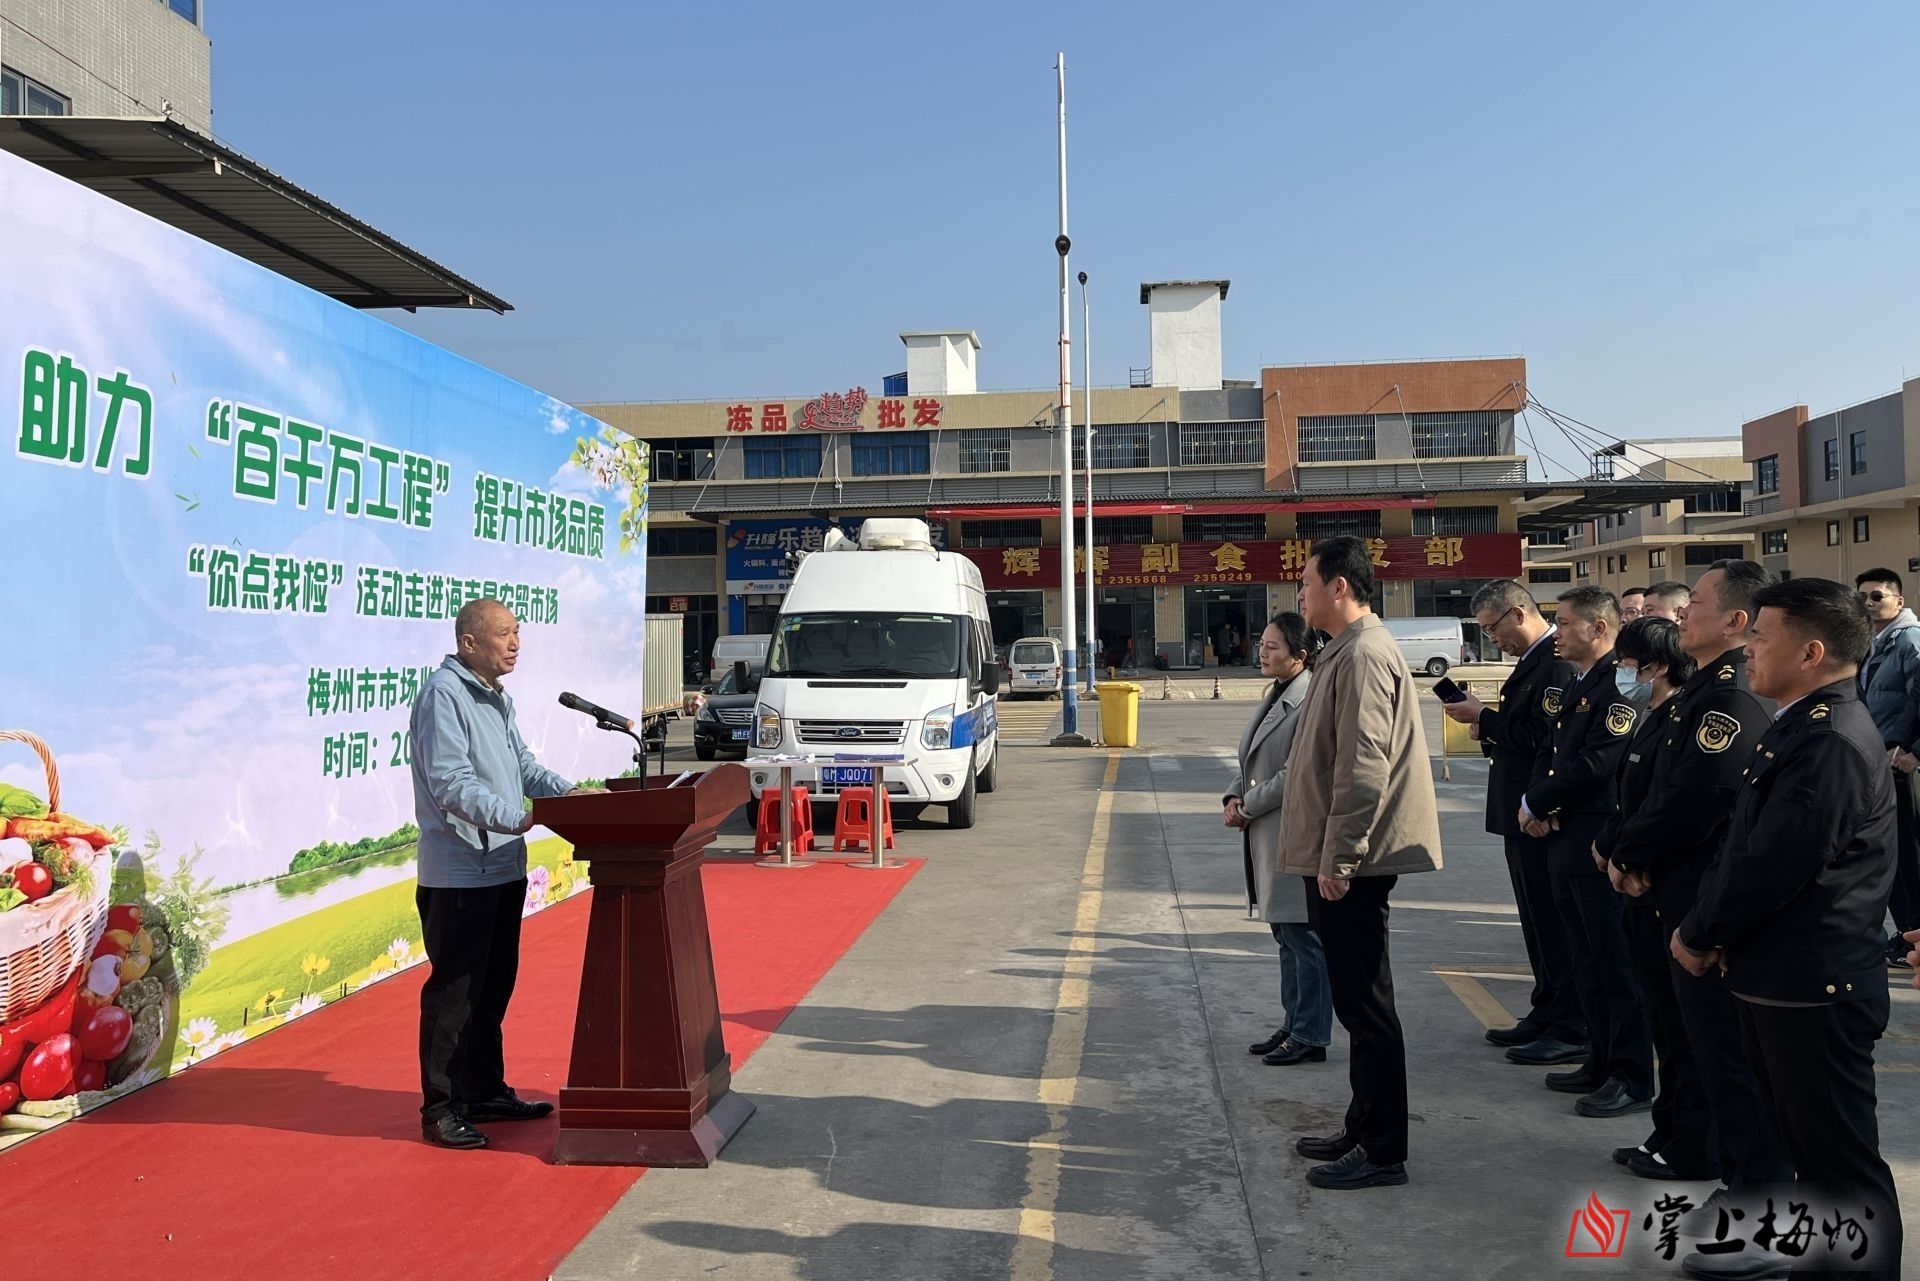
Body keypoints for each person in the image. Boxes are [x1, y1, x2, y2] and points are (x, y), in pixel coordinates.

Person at [1675, 578, 1902, 1281]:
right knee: (1815, 1158)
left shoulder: (1830, 739)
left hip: (1813, 982)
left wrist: (1701, 929)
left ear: (1810, 651)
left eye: (1761, 639)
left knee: (1840, 1166)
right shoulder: (1803, 724)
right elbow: (1746, 846)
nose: (1748, 652)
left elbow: (1773, 864)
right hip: (1783, 977)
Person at [1606, 561, 1789, 1214]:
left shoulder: (1731, 700)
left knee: (1720, 1049)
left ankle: (1743, 1183)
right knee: (1683, 1036)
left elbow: (1696, 798)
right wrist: (1623, 848)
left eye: (1697, 604)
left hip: (1694, 895)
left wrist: (1630, 850)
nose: (1681, 613)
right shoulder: (1696, 693)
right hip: (1663, 888)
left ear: (1737, 622)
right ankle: (1690, 1144)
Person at [1279, 536, 1443, 1190]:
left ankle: (1382, 1149)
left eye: (1308, 583)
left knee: (1367, 1006)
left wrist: (1340, 856)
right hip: (1342, 854)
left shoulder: (1366, 653)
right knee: (1355, 1000)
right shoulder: (1345, 650)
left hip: (1356, 860)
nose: (1300, 595)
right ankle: (1362, 1121)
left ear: (1339, 587)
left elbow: (1363, 765)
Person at [410, 597, 595, 1150]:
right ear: (469, 642)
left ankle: (484, 1089)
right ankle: (441, 1107)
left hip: (501, 868)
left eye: (518, 632)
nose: (515, 643)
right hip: (459, 873)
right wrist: (519, 818)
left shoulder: (497, 698)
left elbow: (523, 767)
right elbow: (451, 784)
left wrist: (572, 797)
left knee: (493, 990)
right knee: (454, 997)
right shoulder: (444, 696)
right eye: (504, 634)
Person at [1520, 586, 1653, 1119]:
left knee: (1615, 963)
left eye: (1566, 622)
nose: (1557, 632)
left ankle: (1630, 1074)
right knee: (1587, 961)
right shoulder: (1583, 681)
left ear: (1600, 628)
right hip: (1566, 837)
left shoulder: (1618, 686)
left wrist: (1537, 800)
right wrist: (1540, 805)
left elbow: (1598, 763)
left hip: (1595, 839)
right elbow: (1557, 756)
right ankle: (1599, 1058)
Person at [1590, 618, 1713, 1182]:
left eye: (1626, 664)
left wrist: (1629, 857)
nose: (1621, 674)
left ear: (1655, 666)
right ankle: (1669, 1129)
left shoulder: (1696, 710)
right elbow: (1635, 802)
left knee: (1688, 1034)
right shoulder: (1660, 715)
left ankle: (1691, 1141)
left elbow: (1681, 805)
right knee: (1670, 1027)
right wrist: (1613, 847)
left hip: (1667, 887)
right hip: (1641, 879)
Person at [1445, 580, 1586, 1064]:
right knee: (1536, 921)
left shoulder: (1556, 664)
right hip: (1520, 811)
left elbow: (1545, 740)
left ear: (1518, 613)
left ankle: (1570, 1021)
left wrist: (1486, 717)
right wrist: (1485, 722)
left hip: (1540, 814)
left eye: (1493, 628)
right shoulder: (1533, 662)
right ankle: (1547, 1008)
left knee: (1553, 923)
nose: (1492, 640)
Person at [1226, 612, 1330, 1068]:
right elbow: (1255, 760)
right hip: (1267, 829)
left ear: (1300, 656)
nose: (1262, 653)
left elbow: (1295, 775)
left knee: (1304, 938)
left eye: (1272, 647)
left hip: (1294, 830)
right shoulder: (1278, 693)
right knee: (1285, 936)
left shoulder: (1308, 701)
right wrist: (1233, 793)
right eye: (1262, 644)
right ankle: (1294, 1023)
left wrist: (1247, 807)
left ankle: (1310, 1032)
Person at [1853, 568, 1920, 967]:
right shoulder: (1874, 641)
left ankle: (1912, 936)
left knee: (1907, 854)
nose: (1869, 603)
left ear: (1898, 599)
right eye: (1862, 597)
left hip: (1900, 761)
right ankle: (1905, 933)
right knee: (1890, 853)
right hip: (1878, 757)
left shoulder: (1910, 640)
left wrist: (1913, 749)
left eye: (1877, 596)